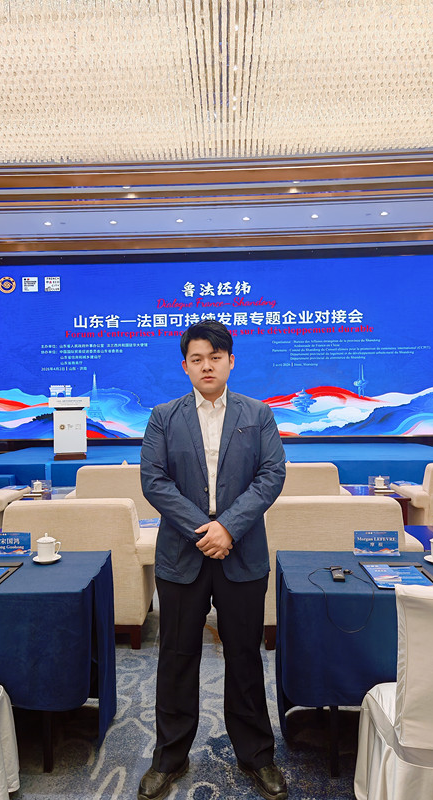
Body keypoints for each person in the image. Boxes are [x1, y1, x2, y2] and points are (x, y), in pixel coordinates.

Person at [139, 320, 288, 800]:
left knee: (244, 655)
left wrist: (229, 527)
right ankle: (169, 756)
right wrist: (205, 530)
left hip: (242, 552)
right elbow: (154, 480)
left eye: (216, 357)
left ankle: (256, 755)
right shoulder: (164, 416)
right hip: (182, 554)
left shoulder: (258, 414)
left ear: (230, 361)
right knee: (176, 657)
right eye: (197, 359)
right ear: (185, 366)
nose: (207, 366)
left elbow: (271, 474)